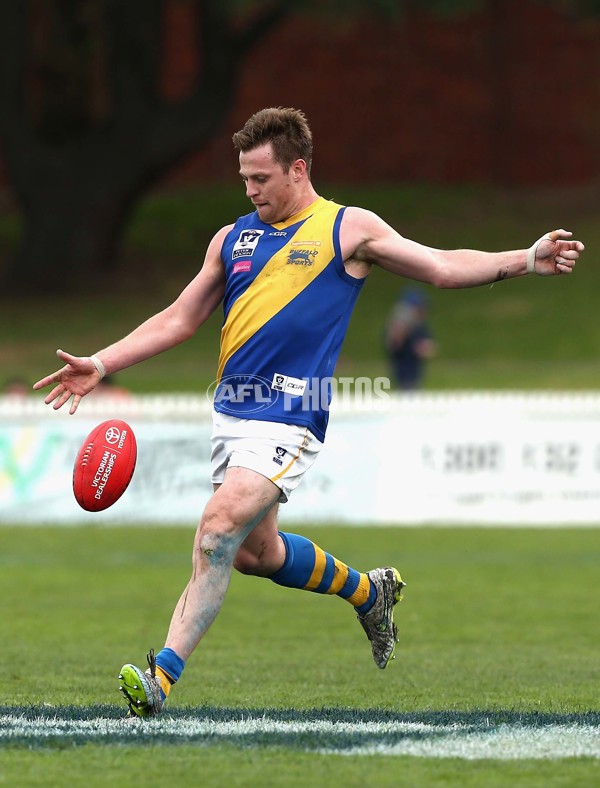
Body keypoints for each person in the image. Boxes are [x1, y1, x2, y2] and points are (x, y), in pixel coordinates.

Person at [33, 107, 584, 718]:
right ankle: (367, 590)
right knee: (252, 554)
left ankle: (160, 678)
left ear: (298, 169)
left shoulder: (348, 230)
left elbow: (440, 265)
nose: (249, 190)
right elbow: (179, 319)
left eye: (260, 178)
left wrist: (525, 258)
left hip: (293, 414)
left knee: (217, 529)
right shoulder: (232, 238)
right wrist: (102, 364)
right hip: (233, 415)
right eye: (244, 179)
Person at [385, 286, 436, 390]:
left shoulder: (420, 327)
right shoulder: (397, 326)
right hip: (402, 373)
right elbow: (393, 344)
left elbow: (429, 349)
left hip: (415, 373)